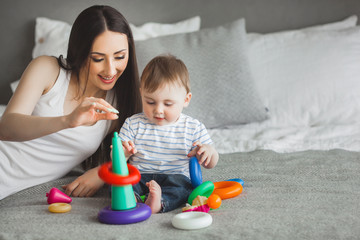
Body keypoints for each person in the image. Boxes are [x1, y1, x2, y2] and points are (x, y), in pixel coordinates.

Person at [0, 5, 142, 200]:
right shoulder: (48, 70)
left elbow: (143, 149)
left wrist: (103, 172)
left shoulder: (120, 103)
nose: (110, 70)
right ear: (80, 51)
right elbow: (6, 128)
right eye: (98, 58)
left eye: (119, 57)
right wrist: (67, 120)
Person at [119, 55, 219, 213]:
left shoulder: (193, 127)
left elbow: (211, 163)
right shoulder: (133, 123)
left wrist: (208, 152)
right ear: (141, 94)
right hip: (139, 175)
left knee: (183, 188)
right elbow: (116, 159)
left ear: (186, 100)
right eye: (150, 102)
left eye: (168, 104)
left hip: (175, 175)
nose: (158, 109)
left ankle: (159, 201)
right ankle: (134, 199)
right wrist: (121, 153)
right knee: (119, 182)